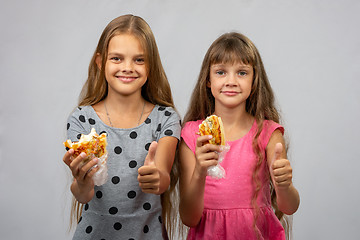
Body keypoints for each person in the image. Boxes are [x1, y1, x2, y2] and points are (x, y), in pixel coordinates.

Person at [62, 14, 181, 240]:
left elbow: (163, 176)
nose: (127, 67)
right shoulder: (82, 119)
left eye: (139, 60)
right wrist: (82, 181)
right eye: (117, 58)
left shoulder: (166, 118)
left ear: (150, 65)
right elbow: (83, 194)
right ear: (100, 62)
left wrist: (156, 177)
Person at [179, 32, 300, 240]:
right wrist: (200, 170)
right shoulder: (192, 135)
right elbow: (189, 218)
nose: (231, 81)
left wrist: (284, 185)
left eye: (242, 73)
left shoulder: (269, 134)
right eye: (221, 72)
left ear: (254, 81)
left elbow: (289, 207)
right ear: (208, 80)